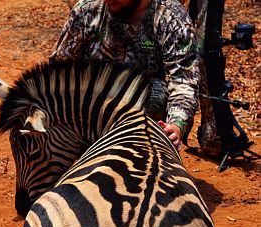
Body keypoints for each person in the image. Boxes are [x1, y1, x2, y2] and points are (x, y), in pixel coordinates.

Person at [50, 0, 199, 151]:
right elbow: (58, 70)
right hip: (87, 107)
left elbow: (184, 81)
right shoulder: (88, 9)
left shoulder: (170, 17)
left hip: (139, 111)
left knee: (157, 93)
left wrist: (176, 125)